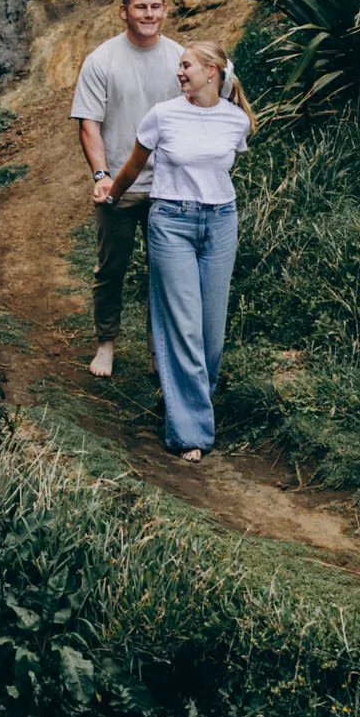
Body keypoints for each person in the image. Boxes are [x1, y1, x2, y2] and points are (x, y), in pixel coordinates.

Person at [105, 38, 252, 462]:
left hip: (221, 221)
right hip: (171, 222)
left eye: (187, 65)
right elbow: (134, 165)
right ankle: (192, 433)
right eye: (179, 66)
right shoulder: (162, 115)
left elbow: (222, 169)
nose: (180, 72)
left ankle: (184, 401)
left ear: (213, 71)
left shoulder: (235, 121)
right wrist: (112, 195)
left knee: (211, 334)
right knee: (184, 327)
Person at [69, 0, 193, 383]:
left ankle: (158, 349)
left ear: (165, 9)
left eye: (155, 6)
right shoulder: (102, 60)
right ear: (124, 11)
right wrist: (102, 176)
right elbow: (90, 124)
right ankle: (106, 342)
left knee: (165, 273)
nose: (149, 14)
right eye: (140, 7)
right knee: (111, 268)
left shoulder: (179, 58)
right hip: (118, 188)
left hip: (168, 188)